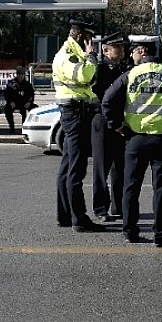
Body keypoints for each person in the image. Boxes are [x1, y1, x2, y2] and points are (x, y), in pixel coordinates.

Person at [102, 37, 162, 246]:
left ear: (143, 51)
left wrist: (115, 124)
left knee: (131, 188)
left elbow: (107, 100)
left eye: (134, 50)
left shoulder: (130, 75)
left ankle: (129, 232)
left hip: (135, 138)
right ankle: (161, 235)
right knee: (160, 188)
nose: (132, 54)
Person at [53, 19, 105, 232]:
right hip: (74, 113)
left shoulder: (75, 53)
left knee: (68, 165)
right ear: (80, 36)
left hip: (78, 112)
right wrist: (92, 56)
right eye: (89, 37)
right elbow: (85, 74)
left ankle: (65, 215)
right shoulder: (68, 55)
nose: (91, 42)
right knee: (76, 167)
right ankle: (78, 218)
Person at [91, 32, 127, 223]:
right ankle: (100, 208)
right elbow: (100, 99)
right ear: (105, 50)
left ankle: (117, 206)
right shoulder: (100, 69)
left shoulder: (122, 69)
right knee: (101, 168)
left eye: (121, 47)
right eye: (117, 47)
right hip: (104, 122)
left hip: (120, 123)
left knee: (119, 168)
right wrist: (113, 122)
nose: (121, 50)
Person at [3, 66, 35, 134]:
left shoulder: (27, 84)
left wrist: (29, 102)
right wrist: (10, 101)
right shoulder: (11, 83)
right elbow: (7, 94)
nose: (20, 76)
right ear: (16, 75)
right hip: (14, 103)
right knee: (7, 109)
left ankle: (26, 127)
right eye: (19, 74)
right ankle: (12, 127)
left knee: (35, 109)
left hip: (25, 103)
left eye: (22, 74)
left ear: (24, 75)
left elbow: (31, 95)